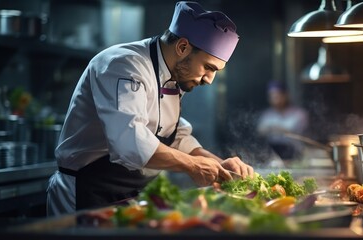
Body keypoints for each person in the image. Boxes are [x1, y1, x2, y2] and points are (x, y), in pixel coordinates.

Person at [47, 1, 254, 216]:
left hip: (131, 195)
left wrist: (221, 166)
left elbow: (173, 135)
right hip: (86, 192)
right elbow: (130, 143)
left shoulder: (174, 75)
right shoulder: (124, 65)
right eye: (208, 67)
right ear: (182, 47)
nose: (210, 80)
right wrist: (192, 165)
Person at [256, 81, 309, 160]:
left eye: (277, 96)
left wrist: (276, 129)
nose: (275, 100)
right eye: (272, 97)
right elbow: (260, 131)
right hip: (272, 156)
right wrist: (273, 129)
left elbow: (302, 134)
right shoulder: (267, 115)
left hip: (295, 154)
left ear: (286, 95)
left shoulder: (299, 114)